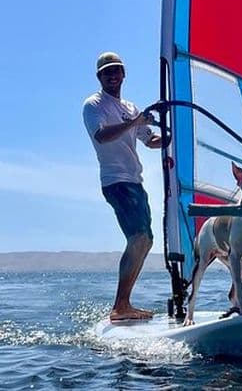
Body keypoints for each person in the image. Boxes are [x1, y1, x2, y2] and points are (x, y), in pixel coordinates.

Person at [82, 51, 161, 321]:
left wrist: (173, 136)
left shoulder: (130, 108)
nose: (112, 75)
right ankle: (120, 305)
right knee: (138, 238)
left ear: (124, 74)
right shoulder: (94, 105)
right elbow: (102, 136)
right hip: (116, 180)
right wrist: (135, 122)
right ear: (99, 77)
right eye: (107, 72)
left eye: (116, 70)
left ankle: (124, 304)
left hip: (135, 180)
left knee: (146, 240)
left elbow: (149, 141)